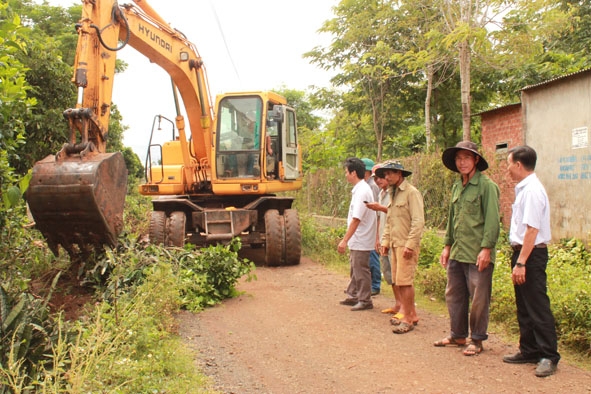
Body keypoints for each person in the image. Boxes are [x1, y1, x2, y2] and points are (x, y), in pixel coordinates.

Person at [434, 140, 500, 356]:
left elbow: (492, 221)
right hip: (457, 252)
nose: (462, 162)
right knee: (454, 294)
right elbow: (452, 219)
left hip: (477, 253)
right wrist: (447, 245)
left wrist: (486, 249)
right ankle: (458, 334)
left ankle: (477, 339)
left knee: (479, 298)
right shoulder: (457, 186)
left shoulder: (487, 186)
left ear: (476, 160)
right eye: (458, 158)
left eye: (466, 158)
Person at [502, 145, 560, 377]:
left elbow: (532, 230)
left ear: (518, 165)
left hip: (531, 255)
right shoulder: (523, 189)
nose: (507, 169)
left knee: (537, 305)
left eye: (508, 164)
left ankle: (548, 356)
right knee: (524, 305)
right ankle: (529, 350)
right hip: (522, 253)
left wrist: (522, 262)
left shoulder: (533, 190)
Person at [376, 161, 425, 334]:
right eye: (385, 174)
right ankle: (411, 314)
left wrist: (410, 245)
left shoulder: (411, 193)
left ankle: (409, 318)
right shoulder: (393, 193)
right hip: (396, 244)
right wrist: (385, 242)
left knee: (405, 282)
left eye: (390, 173)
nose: (387, 177)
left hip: (406, 245)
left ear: (400, 174)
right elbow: (390, 220)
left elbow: (418, 221)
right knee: (398, 281)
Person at [339, 157, 377, 311]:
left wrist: (344, 240)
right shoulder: (360, 189)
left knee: (361, 269)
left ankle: (365, 299)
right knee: (355, 267)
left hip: (361, 238)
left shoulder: (362, 191)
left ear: (353, 173)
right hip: (358, 238)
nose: (345, 175)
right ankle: (354, 295)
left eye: (346, 172)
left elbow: (356, 219)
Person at [366, 164, 398, 314]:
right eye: (376, 178)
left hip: (396, 238)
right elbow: (380, 219)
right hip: (384, 237)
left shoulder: (396, 193)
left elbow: (398, 213)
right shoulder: (381, 194)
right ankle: (397, 304)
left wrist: (380, 208)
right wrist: (377, 238)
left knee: (399, 275)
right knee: (389, 273)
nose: (379, 180)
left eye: (381, 177)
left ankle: (404, 306)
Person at [361, 157, 382, 295]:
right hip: (369, 225)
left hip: (374, 225)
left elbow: (375, 209)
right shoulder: (366, 185)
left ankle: (375, 285)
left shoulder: (372, 186)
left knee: (373, 256)